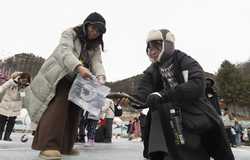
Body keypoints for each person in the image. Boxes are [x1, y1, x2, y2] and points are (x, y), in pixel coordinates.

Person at [120, 29, 234, 160]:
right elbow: (142, 93)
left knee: (213, 150)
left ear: (167, 45)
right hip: (171, 119)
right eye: (149, 48)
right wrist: (130, 99)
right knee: (169, 150)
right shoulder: (152, 71)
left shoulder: (185, 61)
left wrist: (163, 95)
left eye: (156, 46)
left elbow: (197, 84)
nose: (152, 51)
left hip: (196, 112)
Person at [23, 12, 107, 159]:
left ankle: (65, 145)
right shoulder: (70, 33)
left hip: (78, 80)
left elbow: (97, 62)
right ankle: (48, 146)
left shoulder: (95, 46)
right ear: (86, 25)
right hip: (60, 76)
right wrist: (78, 67)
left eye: (99, 31)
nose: (95, 33)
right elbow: (64, 52)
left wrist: (100, 76)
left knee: (74, 111)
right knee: (58, 109)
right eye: (93, 28)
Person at [0, 72, 30, 141]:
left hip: (16, 107)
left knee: (11, 122)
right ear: (20, 78)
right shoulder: (11, 82)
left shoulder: (26, 87)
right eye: (23, 80)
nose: (24, 82)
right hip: (6, 104)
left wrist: (22, 89)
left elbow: (24, 97)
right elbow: (2, 88)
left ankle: (7, 137)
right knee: (1, 121)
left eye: (26, 81)